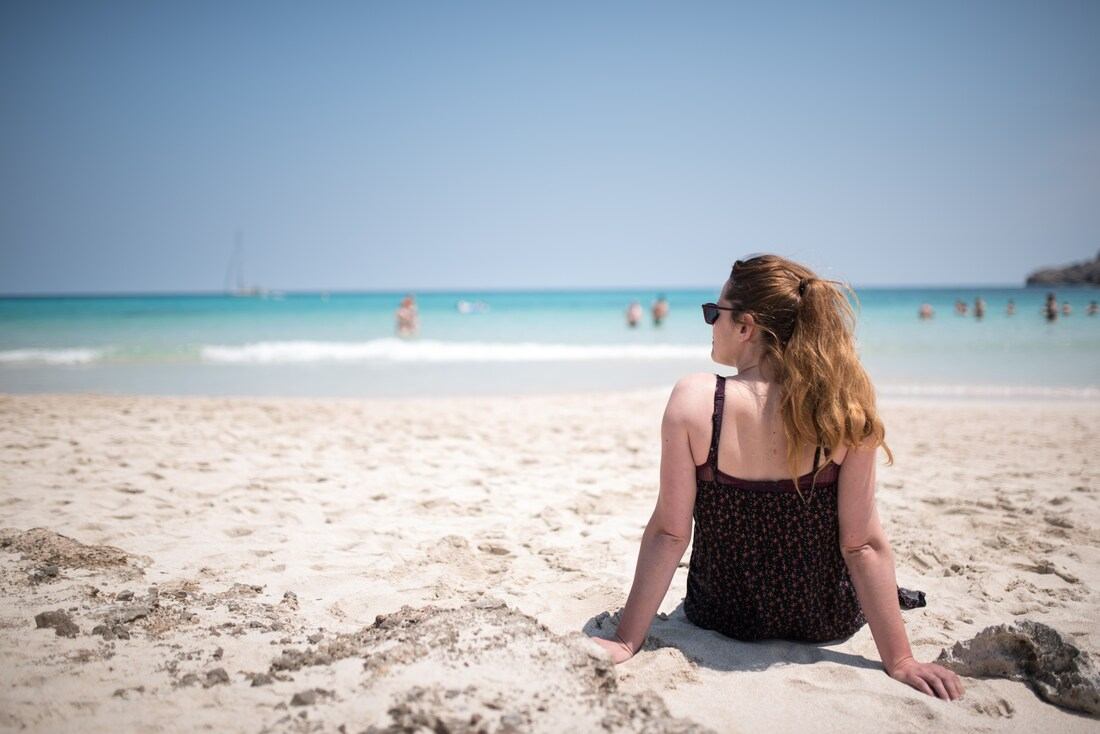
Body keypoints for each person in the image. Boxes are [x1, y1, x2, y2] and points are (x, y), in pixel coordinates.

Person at [588, 255, 963, 701]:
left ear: (745, 327)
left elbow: (671, 533)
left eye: (715, 313)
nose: (710, 323)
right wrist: (900, 660)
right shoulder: (842, 411)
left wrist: (627, 640)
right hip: (825, 620)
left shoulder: (695, 400)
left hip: (723, 614)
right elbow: (861, 543)